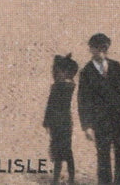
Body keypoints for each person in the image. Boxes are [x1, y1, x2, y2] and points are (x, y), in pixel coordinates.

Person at [78, 33, 120, 184]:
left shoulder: (116, 66)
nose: (103, 52)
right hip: (100, 121)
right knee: (103, 156)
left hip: (118, 118)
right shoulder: (86, 72)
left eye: (105, 48)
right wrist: (87, 126)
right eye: (99, 49)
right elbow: (83, 101)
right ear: (91, 49)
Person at [43, 53, 79, 185]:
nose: (54, 73)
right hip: (65, 122)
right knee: (67, 151)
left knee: (59, 151)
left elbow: (50, 105)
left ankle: (57, 179)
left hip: (57, 122)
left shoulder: (59, 86)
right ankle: (70, 178)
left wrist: (46, 122)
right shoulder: (70, 85)